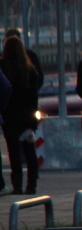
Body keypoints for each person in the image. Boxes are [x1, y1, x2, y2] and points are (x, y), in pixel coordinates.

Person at [1, 37, 38, 194]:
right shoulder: (30, 70)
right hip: (28, 116)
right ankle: (31, 186)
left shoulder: (3, 67)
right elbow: (34, 97)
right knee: (30, 151)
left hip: (9, 115)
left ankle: (17, 185)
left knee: (13, 151)